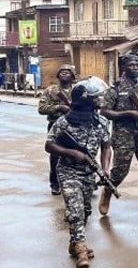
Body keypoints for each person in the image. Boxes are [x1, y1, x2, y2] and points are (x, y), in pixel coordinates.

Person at [44, 76, 111, 268]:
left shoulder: (100, 122)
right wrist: (71, 152)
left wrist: (105, 169)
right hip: (67, 171)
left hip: (89, 173)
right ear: (86, 100)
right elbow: (49, 145)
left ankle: (74, 243)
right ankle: (81, 249)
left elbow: (107, 146)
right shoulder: (64, 122)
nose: (99, 101)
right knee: (75, 210)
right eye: (96, 98)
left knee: (86, 210)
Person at [99, 54, 138, 225]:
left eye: (137, 64)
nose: (136, 67)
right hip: (123, 137)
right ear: (123, 67)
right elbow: (104, 111)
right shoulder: (116, 89)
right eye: (131, 65)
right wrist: (127, 114)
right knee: (120, 171)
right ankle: (108, 191)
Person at [38, 64, 76, 195]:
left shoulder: (78, 90)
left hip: (75, 126)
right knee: (55, 156)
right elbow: (41, 109)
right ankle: (55, 183)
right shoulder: (50, 90)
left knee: (79, 154)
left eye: (68, 72)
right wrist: (59, 108)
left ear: (73, 76)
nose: (65, 73)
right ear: (58, 75)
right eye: (62, 72)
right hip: (55, 126)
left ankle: (81, 182)